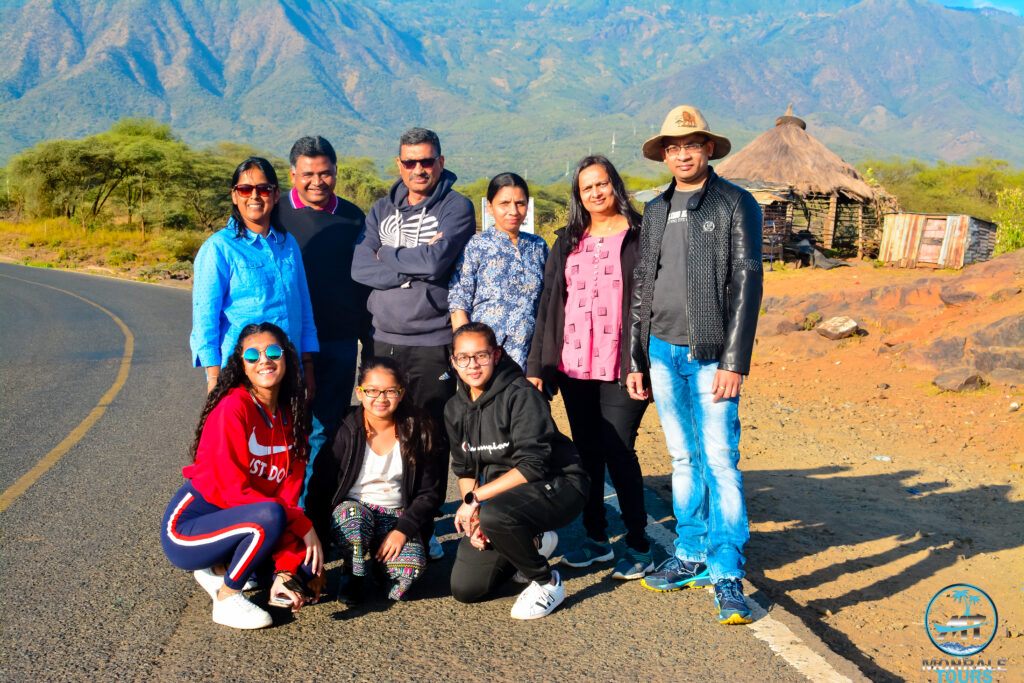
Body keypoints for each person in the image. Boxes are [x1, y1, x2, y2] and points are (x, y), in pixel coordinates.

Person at [627, 105, 763, 625]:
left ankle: (726, 570)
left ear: (708, 149)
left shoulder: (734, 202)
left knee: (720, 460)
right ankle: (690, 553)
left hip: (711, 356)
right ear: (664, 154)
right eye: (672, 146)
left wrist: (735, 360)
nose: (682, 153)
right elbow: (643, 286)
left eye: (692, 144)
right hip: (660, 351)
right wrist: (636, 356)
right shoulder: (657, 208)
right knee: (683, 458)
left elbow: (748, 282)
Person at [525, 155, 653, 581]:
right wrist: (540, 364)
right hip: (575, 366)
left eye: (603, 184)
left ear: (615, 185)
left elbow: (651, 303)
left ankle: (638, 544)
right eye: (587, 188)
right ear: (578, 196)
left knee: (619, 450)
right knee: (588, 456)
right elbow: (549, 305)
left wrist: (645, 363)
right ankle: (597, 540)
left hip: (623, 365)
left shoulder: (641, 235)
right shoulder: (568, 240)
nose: (596, 192)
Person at [351, 127, 476, 559]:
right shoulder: (380, 210)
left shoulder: (456, 207)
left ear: (440, 162)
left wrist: (390, 258)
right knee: (386, 432)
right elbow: (359, 266)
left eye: (427, 161)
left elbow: (438, 261)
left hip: (431, 342)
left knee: (430, 435)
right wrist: (411, 268)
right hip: (382, 341)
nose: (419, 169)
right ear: (399, 164)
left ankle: (421, 530)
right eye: (410, 162)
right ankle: (389, 520)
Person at [161, 323, 323, 629]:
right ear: (242, 365)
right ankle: (226, 597)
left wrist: (286, 571)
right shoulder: (232, 408)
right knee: (277, 517)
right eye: (253, 355)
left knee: (307, 567)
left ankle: (220, 569)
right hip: (190, 527)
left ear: (287, 357)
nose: (265, 360)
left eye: (273, 351)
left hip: (251, 520)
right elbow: (235, 493)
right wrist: (303, 524)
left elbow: (287, 497)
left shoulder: (291, 415)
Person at [446, 322, 588, 620]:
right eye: (464, 357)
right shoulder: (454, 409)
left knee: (495, 515)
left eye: (481, 356)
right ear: (453, 360)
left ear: (497, 355)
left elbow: (533, 465)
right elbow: (464, 469)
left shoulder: (521, 394)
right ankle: (535, 541)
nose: (472, 365)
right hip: (504, 498)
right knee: (467, 588)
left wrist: (476, 501)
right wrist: (474, 517)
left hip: (559, 486)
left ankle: (546, 583)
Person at [275, 136, 370, 504]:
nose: (318, 181)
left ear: (335, 172)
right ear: (293, 174)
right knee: (285, 430)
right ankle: (284, 514)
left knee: (326, 430)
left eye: (326, 173)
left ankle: (314, 513)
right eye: (308, 173)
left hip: (339, 342)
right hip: (287, 344)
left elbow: (363, 282)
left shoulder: (353, 216)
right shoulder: (276, 214)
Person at [304, 357, 442, 603]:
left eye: (390, 391)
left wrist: (404, 530)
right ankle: (352, 573)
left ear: (401, 394)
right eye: (372, 391)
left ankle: (381, 569)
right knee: (353, 520)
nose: (381, 398)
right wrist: (318, 552)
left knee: (407, 574)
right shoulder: (345, 428)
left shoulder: (418, 429)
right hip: (354, 511)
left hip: (396, 515)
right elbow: (319, 488)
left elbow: (429, 492)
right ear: (359, 392)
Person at [190, 157, 318, 396]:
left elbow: (303, 308)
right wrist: (214, 377)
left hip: (287, 370)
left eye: (264, 189)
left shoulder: (288, 244)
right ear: (234, 195)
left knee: (288, 433)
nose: (255, 196)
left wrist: (307, 367)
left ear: (276, 193)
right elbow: (205, 318)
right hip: (241, 374)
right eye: (245, 189)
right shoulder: (219, 248)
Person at [448, 172, 548, 369]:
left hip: (531, 357)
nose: (513, 211)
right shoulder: (476, 246)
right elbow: (459, 301)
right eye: (504, 203)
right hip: (485, 359)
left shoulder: (539, 246)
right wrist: (468, 356)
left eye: (520, 203)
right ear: (490, 207)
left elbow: (549, 300)